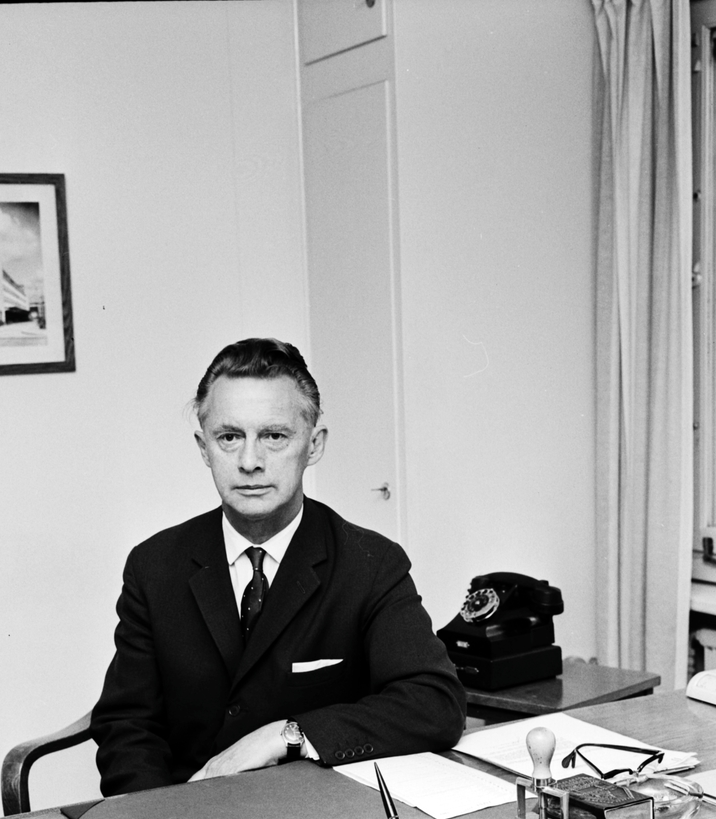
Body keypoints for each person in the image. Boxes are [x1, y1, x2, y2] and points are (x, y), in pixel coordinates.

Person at [90, 337, 467, 795]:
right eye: (229, 437)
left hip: (319, 817)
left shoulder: (370, 563)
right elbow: (127, 726)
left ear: (314, 445)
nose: (250, 462)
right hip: (186, 812)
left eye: (274, 436)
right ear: (204, 448)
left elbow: (435, 703)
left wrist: (286, 735)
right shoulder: (154, 565)